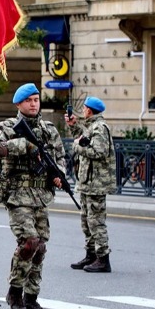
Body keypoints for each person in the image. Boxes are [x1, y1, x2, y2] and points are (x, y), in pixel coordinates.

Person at [0, 83, 63, 309]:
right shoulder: (7, 127)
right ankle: (15, 292)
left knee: (39, 248)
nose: (33, 104)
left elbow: (60, 157)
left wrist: (59, 175)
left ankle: (32, 298)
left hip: (41, 196)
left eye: (36, 99)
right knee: (28, 243)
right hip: (18, 196)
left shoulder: (49, 130)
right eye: (28, 100)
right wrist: (23, 145)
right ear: (18, 104)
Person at [66, 97, 116, 273]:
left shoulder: (100, 127)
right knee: (86, 221)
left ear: (90, 110)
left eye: (85, 108)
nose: (84, 111)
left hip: (96, 183)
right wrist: (73, 125)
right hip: (88, 181)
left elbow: (98, 151)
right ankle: (91, 255)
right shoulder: (92, 126)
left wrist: (77, 147)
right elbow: (84, 138)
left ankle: (103, 259)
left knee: (96, 221)